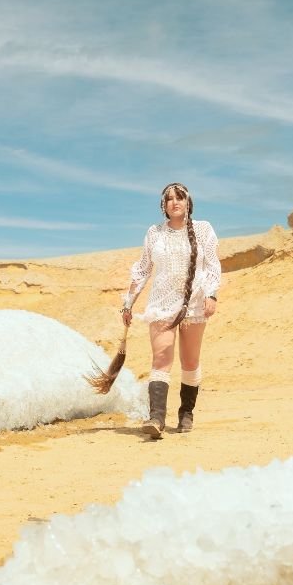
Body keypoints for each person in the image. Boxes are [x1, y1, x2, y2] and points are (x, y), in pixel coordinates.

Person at [121, 182, 221, 439]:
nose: (174, 202)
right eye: (169, 199)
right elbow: (143, 269)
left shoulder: (203, 229)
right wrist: (129, 301)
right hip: (162, 303)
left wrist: (211, 294)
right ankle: (156, 418)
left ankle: (186, 413)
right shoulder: (155, 233)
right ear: (163, 206)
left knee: (189, 361)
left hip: (195, 302)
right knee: (161, 359)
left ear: (188, 202)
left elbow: (212, 266)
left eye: (179, 198)